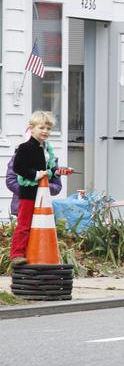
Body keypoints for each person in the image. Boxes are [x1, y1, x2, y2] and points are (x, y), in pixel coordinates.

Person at [9, 111, 60, 266]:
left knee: (39, 224)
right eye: (41, 127)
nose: (45, 131)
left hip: (43, 194)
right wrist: (35, 175)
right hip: (28, 193)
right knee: (24, 224)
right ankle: (17, 255)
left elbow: (48, 170)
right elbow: (18, 167)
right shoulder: (25, 147)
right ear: (31, 128)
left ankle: (35, 253)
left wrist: (54, 172)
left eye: (48, 128)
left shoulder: (46, 149)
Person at [6, 152, 62, 218]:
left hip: (43, 208)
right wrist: (29, 190)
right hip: (23, 206)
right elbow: (11, 181)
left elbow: (57, 187)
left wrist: (42, 186)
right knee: (24, 228)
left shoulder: (51, 160)